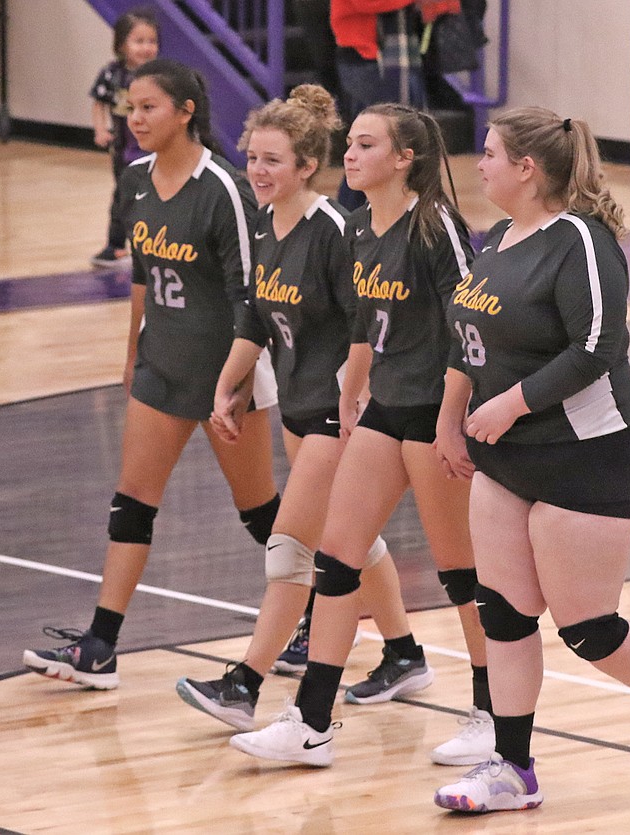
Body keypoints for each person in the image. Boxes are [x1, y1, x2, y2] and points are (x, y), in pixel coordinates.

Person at [432, 107, 630, 813]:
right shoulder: (502, 237)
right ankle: (512, 766)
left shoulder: (582, 242)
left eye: (490, 154)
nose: (480, 166)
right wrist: (451, 418)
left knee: (587, 627)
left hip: (587, 452)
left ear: (527, 168)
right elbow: (466, 335)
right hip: (505, 456)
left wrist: (510, 404)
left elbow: (597, 346)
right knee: (502, 612)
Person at [228, 103, 493, 768]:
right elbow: (369, 324)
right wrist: (354, 384)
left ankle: (492, 711)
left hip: (436, 410)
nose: (350, 153)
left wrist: (453, 418)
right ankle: (311, 721)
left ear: (404, 158)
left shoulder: (434, 225)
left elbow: (474, 323)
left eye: (366, 144)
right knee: (337, 556)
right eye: (349, 143)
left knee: (462, 573)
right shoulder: (359, 230)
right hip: (385, 405)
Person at [175, 85, 437, 732]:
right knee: (348, 540)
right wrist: (228, 385)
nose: (258, 172)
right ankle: (404, 653)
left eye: (272, 160)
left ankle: (245, 682)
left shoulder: (334, 232)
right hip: (297, 406)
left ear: (305, 167)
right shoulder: (264, 224)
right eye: (252, 159)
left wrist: (358, 395)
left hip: (338, 413)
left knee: (293, 548)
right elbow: (255, 316)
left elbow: (366, 321)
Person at [23, 59, 281, 689]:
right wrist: (132, 353)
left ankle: (321, 615)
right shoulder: (136, 179)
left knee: (265, 516)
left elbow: (254, 296)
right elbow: (141, 276)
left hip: (227, 376)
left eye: (148, 108)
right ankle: (100, 648)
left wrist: (237, 386)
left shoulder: (223, 188)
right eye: (130, 109)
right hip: (162, 368)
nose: (134, 120)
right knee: (131, 505)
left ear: (186, 111)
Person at [330, 0, 425, 210]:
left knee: (391, 140)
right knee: (367, 142)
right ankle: (348, 213)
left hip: (384, 59)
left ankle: (383, 210)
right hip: (364, 58)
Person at [88, 8, 160, 268]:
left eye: (152, 41)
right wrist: (100, 129)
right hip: (123, 150)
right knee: (122, 197)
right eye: (139, 41)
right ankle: (116, 245)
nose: (146, 48)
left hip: (153, 151)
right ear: (121, 44)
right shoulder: (112, 74)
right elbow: (99, 102)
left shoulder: (159, 77)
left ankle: (154, 247)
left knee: (156, 199)